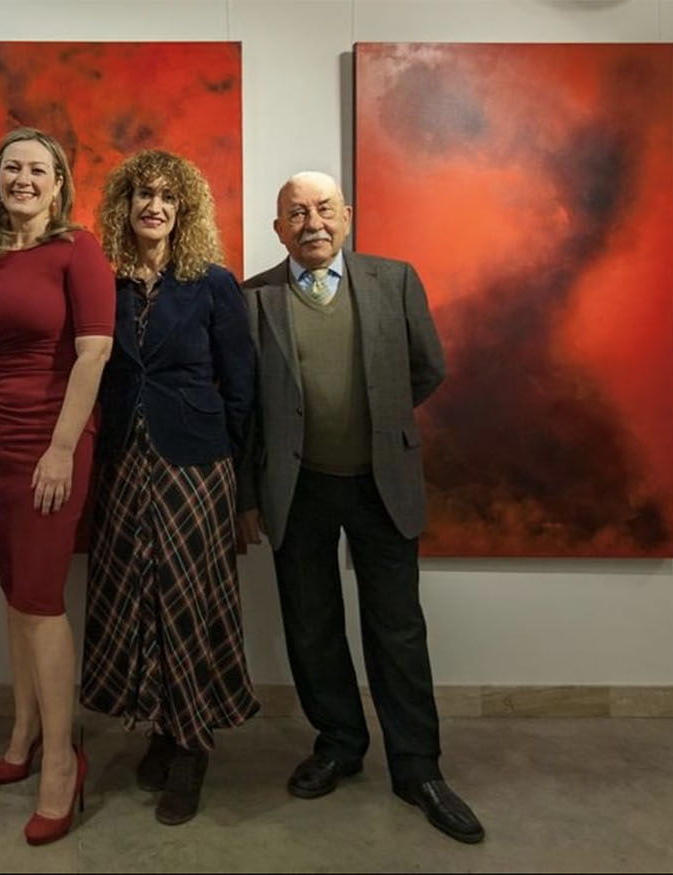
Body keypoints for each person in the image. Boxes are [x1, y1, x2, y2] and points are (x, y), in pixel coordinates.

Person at [237, 171, 484, 844]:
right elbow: (245, 409)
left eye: (323, 209)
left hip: (383, 482)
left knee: (397, 627)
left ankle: (417, 766)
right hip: (300, 485)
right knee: (312, 625)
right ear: (278, 227)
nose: (311, 221)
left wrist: (384, 426)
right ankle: (340, 743)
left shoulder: (395, 279)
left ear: (346, 215)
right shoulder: (254, 297)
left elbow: (426, 368)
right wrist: (248, 497)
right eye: (296, 212)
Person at [81, 150, 259, 826]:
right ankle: (160, 725)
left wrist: (242, 487)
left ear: (183, 211)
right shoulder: (106, 283)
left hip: (197, 464)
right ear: (124, 207)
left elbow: (240, 388)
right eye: (142, 195)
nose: (153, 205)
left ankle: (193, 746)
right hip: (125, 461)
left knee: (187, 600)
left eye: (166, 197)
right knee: (140, 598)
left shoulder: (212, 283)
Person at [0, 127, 114, 845]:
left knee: (43, 598)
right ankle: (23, 729)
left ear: (59, 183)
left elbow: (95, 353)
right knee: (13, 590)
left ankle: (62, 758)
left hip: (54, 439)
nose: (23, 179)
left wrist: (60, 448)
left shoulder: (76, 248)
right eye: (12, 168)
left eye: (38, 169)